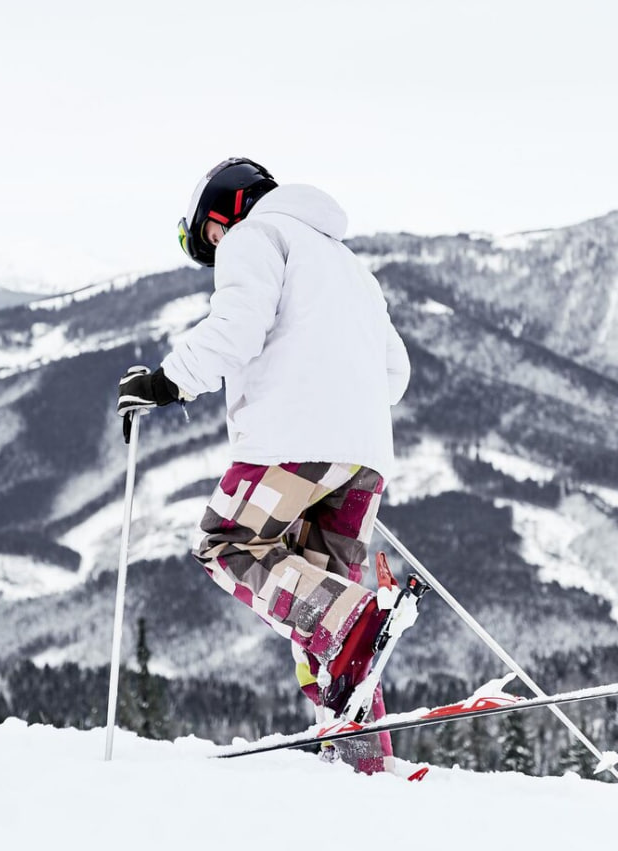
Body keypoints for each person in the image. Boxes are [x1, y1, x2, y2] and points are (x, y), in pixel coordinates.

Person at [117, 157, 411, 773]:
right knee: (318, 613)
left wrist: (169, 381)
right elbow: (395, 376)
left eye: (210, 235)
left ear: (226, 209)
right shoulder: (351, 266)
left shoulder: (256, 235)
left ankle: (357, 621)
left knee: (227, 545)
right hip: (363, 458)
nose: (217, 247)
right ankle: (363, 761)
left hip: (290, 442)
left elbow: (238, 326)